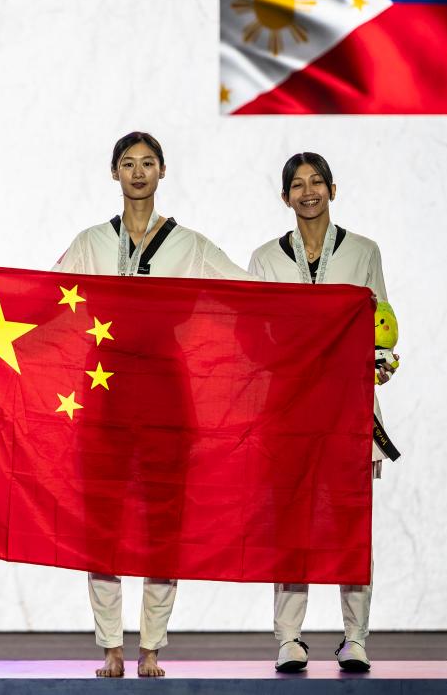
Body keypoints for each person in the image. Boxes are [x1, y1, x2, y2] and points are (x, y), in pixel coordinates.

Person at [53, 131, 253, 678]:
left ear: (163, 171)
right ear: (113, 173)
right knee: (102, 520)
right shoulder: (91, 242)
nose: (138, 172)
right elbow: (43, 295)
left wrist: (332, 306)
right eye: (127, 163)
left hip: (166, 387)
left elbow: (252, 292)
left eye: (147, 163)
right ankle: (110, 646)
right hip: (106, 388)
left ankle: (151, 648)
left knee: (165, 520)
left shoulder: (190, 245)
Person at [248, 152, 396, 674]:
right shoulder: (266, 258)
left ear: (333, 190)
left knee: (351, 524)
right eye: (297, 184)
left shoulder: (363, 251)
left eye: (316, 182)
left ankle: (355, 638)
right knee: (291, 527)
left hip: (348, 411)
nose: (307, 191)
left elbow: (382, 324)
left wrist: (382, 363)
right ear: (284, 196)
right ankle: (289, 638)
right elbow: (252, 334)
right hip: (288, 412)